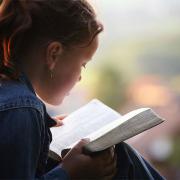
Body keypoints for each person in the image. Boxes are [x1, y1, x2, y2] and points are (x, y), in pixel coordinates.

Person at [0, 0, 165, 179]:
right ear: (53, 54)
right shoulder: (22, 110)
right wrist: (71, 173)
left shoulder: (16, 101)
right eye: (83, 65)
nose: (80, 77)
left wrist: (43, 128)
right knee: (117, 154)